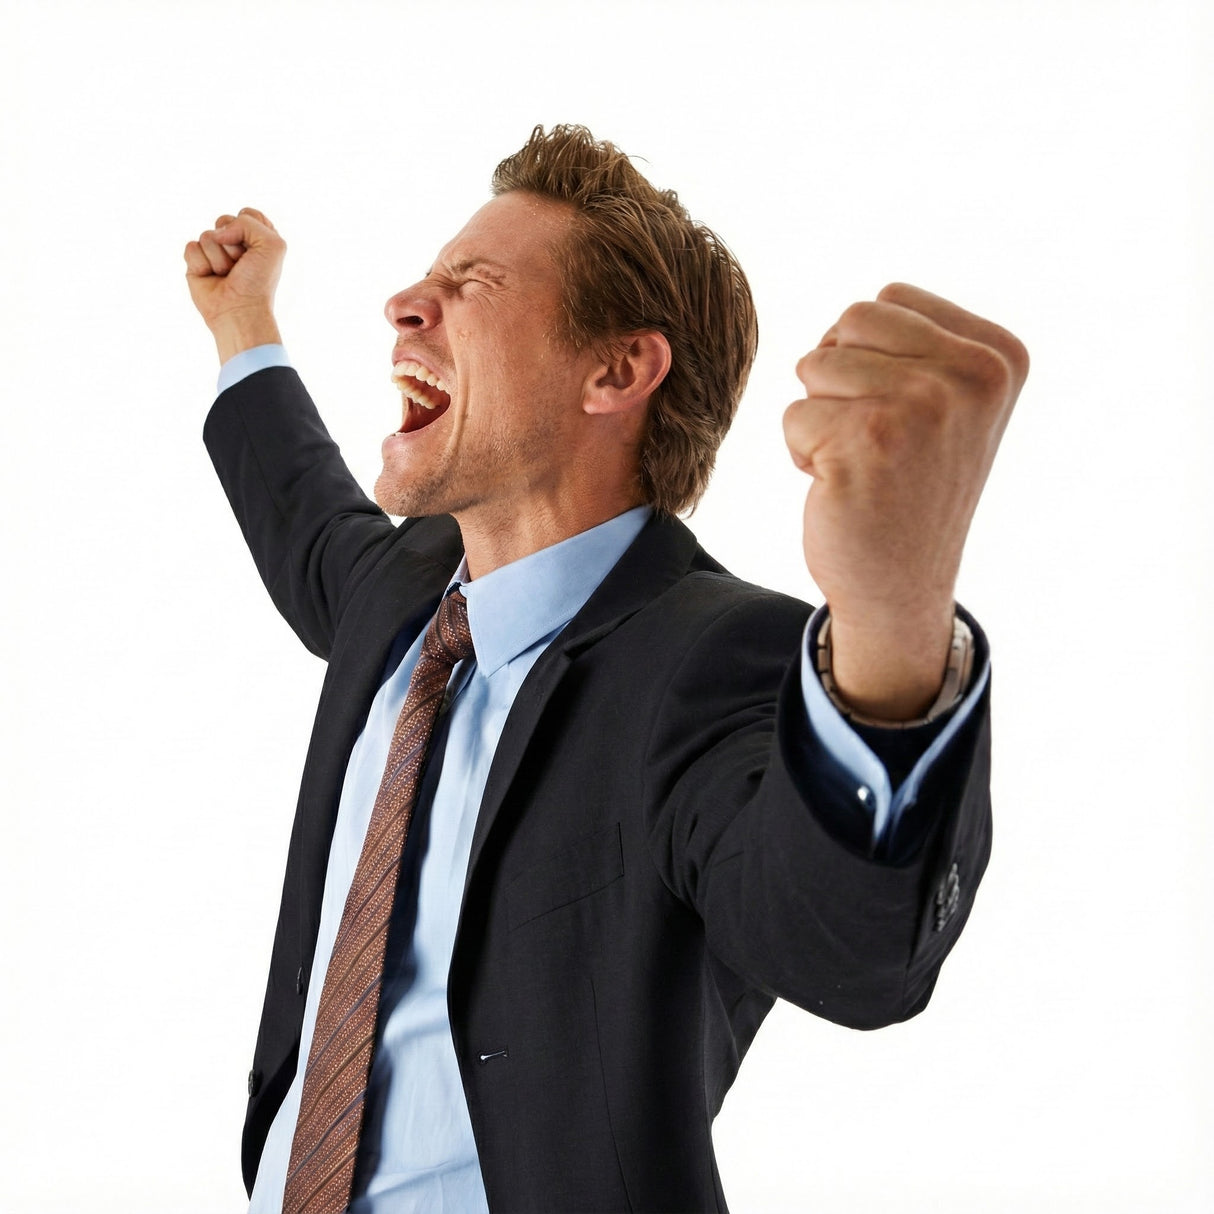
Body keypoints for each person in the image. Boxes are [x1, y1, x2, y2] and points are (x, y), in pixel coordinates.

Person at [184, 125, 1027, 1213]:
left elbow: (850, 949)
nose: (404, 301)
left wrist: (891, 615)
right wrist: (242, 326)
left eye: (468, 283)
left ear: (616, 369)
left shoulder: (710, 661)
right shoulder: (404, 595)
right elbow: (303, 515)